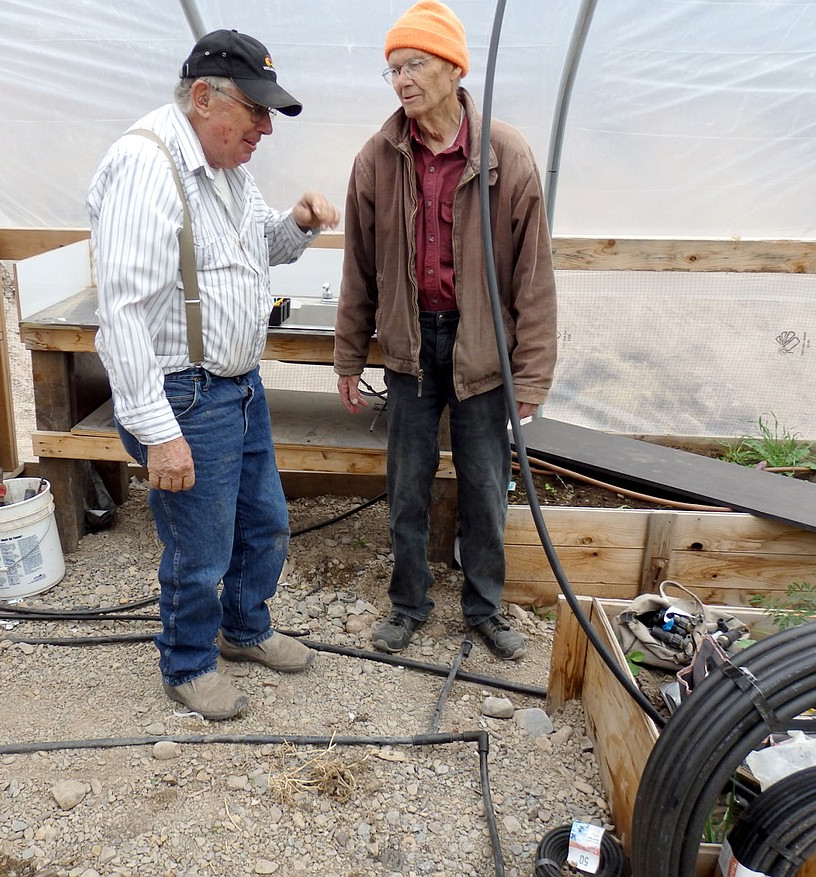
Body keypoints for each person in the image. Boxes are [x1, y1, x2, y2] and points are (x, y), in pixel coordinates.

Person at [88, 29, 340, 720]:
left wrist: (296, 222)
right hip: (185, 392)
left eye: (268, 113)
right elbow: (124, 317)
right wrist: (158, 431)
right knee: (199, 548)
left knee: (264, 524)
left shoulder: (225, 168)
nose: (264, 127)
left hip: (237, 387)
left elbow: (259, 244)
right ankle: (188, 663)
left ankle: (244, 627)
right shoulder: (148, 166)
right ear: (204, 96)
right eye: (254, 110)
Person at [334, 0, 557, 661]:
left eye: (414, 63)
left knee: (486, 485)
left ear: (454, 67)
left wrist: (534, 373)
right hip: (409, 347)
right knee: (407, 483)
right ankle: (408, 604)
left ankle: (485, 609)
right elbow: (360, 270)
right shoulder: (377, 159)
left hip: (483, 348)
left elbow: (535, 279)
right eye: (392, 68)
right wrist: (349, 358)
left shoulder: (505, 154)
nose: (401, 78)